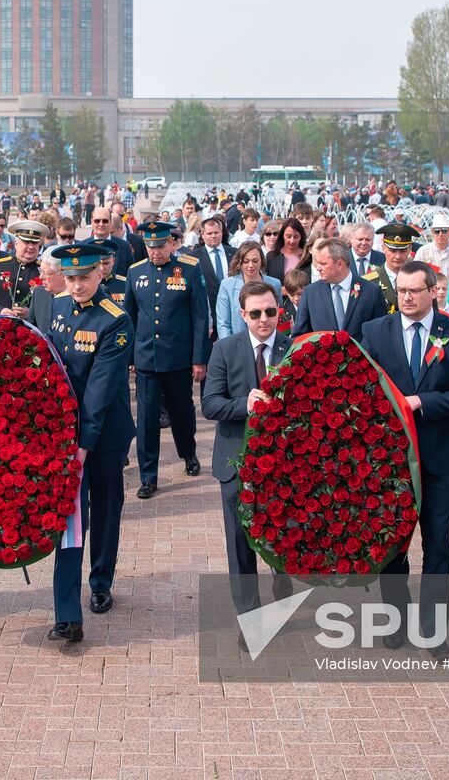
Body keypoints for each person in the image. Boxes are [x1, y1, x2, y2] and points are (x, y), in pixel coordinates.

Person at [360, 262, 449, 651]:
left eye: (415, 290)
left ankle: (433, 629)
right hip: (390, 461)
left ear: (433, 292)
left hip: (438, 458)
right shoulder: (376, 331)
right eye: (401, 290)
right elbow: (363, 392)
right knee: (392, 545)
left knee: (438, 543)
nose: (407, 297)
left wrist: (421, 402)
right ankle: (397, 620)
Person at [38, 243, 136, 643]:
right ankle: (66, 612)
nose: (77, 285)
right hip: (64, 432)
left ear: (101, 274)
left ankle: (100, 580)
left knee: (106, 506)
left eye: (85, 277)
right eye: (72, 277)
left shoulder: (115, 320)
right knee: (69, 514)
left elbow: (99, 389)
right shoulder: (57, 306)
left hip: (104, 433)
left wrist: (84, 442)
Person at [202, 280, 294, 621]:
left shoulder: (293, 348)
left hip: (283, 461)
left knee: (282, 531)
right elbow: (210, 404)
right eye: (255, 314)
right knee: (240, 542)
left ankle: (282, 579)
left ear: (279, 311)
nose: (264, 320)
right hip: (235, 459)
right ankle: (250, 615)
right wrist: (246, 404)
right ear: (243, 315)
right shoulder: (225, 349)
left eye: (270, 311)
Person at [124, 222, 211, 499]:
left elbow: (199, 316)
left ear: (171, 244)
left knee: (182, 412)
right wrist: (131, 355)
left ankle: (188, 453)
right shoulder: (135, 272)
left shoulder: (188, 269)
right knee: (147, 421)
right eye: (150, 246)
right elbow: (130, 317)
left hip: (178, 358)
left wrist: (199, 358)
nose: (155, 252)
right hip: (147, 359)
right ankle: (148, 477)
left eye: (160, 246)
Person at [292, 236, 388, 341]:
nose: (318, 268)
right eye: (317, 262)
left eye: (323, 263)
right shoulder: (311, 293)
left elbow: (381, 334)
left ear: (340, 264)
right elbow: (299, 337)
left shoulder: (371, 291)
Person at [215, 241, 282, 339]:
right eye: (246, 261)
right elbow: (223, 324)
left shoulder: (275, 284)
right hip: (237, 344)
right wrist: (229, 348)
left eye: (255, 261)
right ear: (239, 261)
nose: (251, 265)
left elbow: (278, 316)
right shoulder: (227, 285)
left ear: (261, 261)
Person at [0, 220, 48, 319]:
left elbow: (51, 303)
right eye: (26, 242)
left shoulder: (44, 271)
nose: (31, 247)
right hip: (0, 326)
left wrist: (31, 312)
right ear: (16, 243)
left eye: (35, 243)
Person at [362, 222, 419, 313]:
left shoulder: (420, 279)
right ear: (383, 247)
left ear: (410, 248)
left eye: (402, 251)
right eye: (392, 251)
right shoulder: (368, 282)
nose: (397, 256)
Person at [196, 217, 230, 337]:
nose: (213, 236)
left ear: (222, 233)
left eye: (216, 232)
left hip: (232, 314)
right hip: (206, 315)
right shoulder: (192, 257)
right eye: (209, 233)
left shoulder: (235, 254)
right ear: (203, 235)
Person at [264, 217, 311, 284]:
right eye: (288, 236)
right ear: (282, 235)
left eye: (296, 237)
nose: (292, 241)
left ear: (301, 236)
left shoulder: (308, 256)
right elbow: (267, 281)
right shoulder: (271, 256)